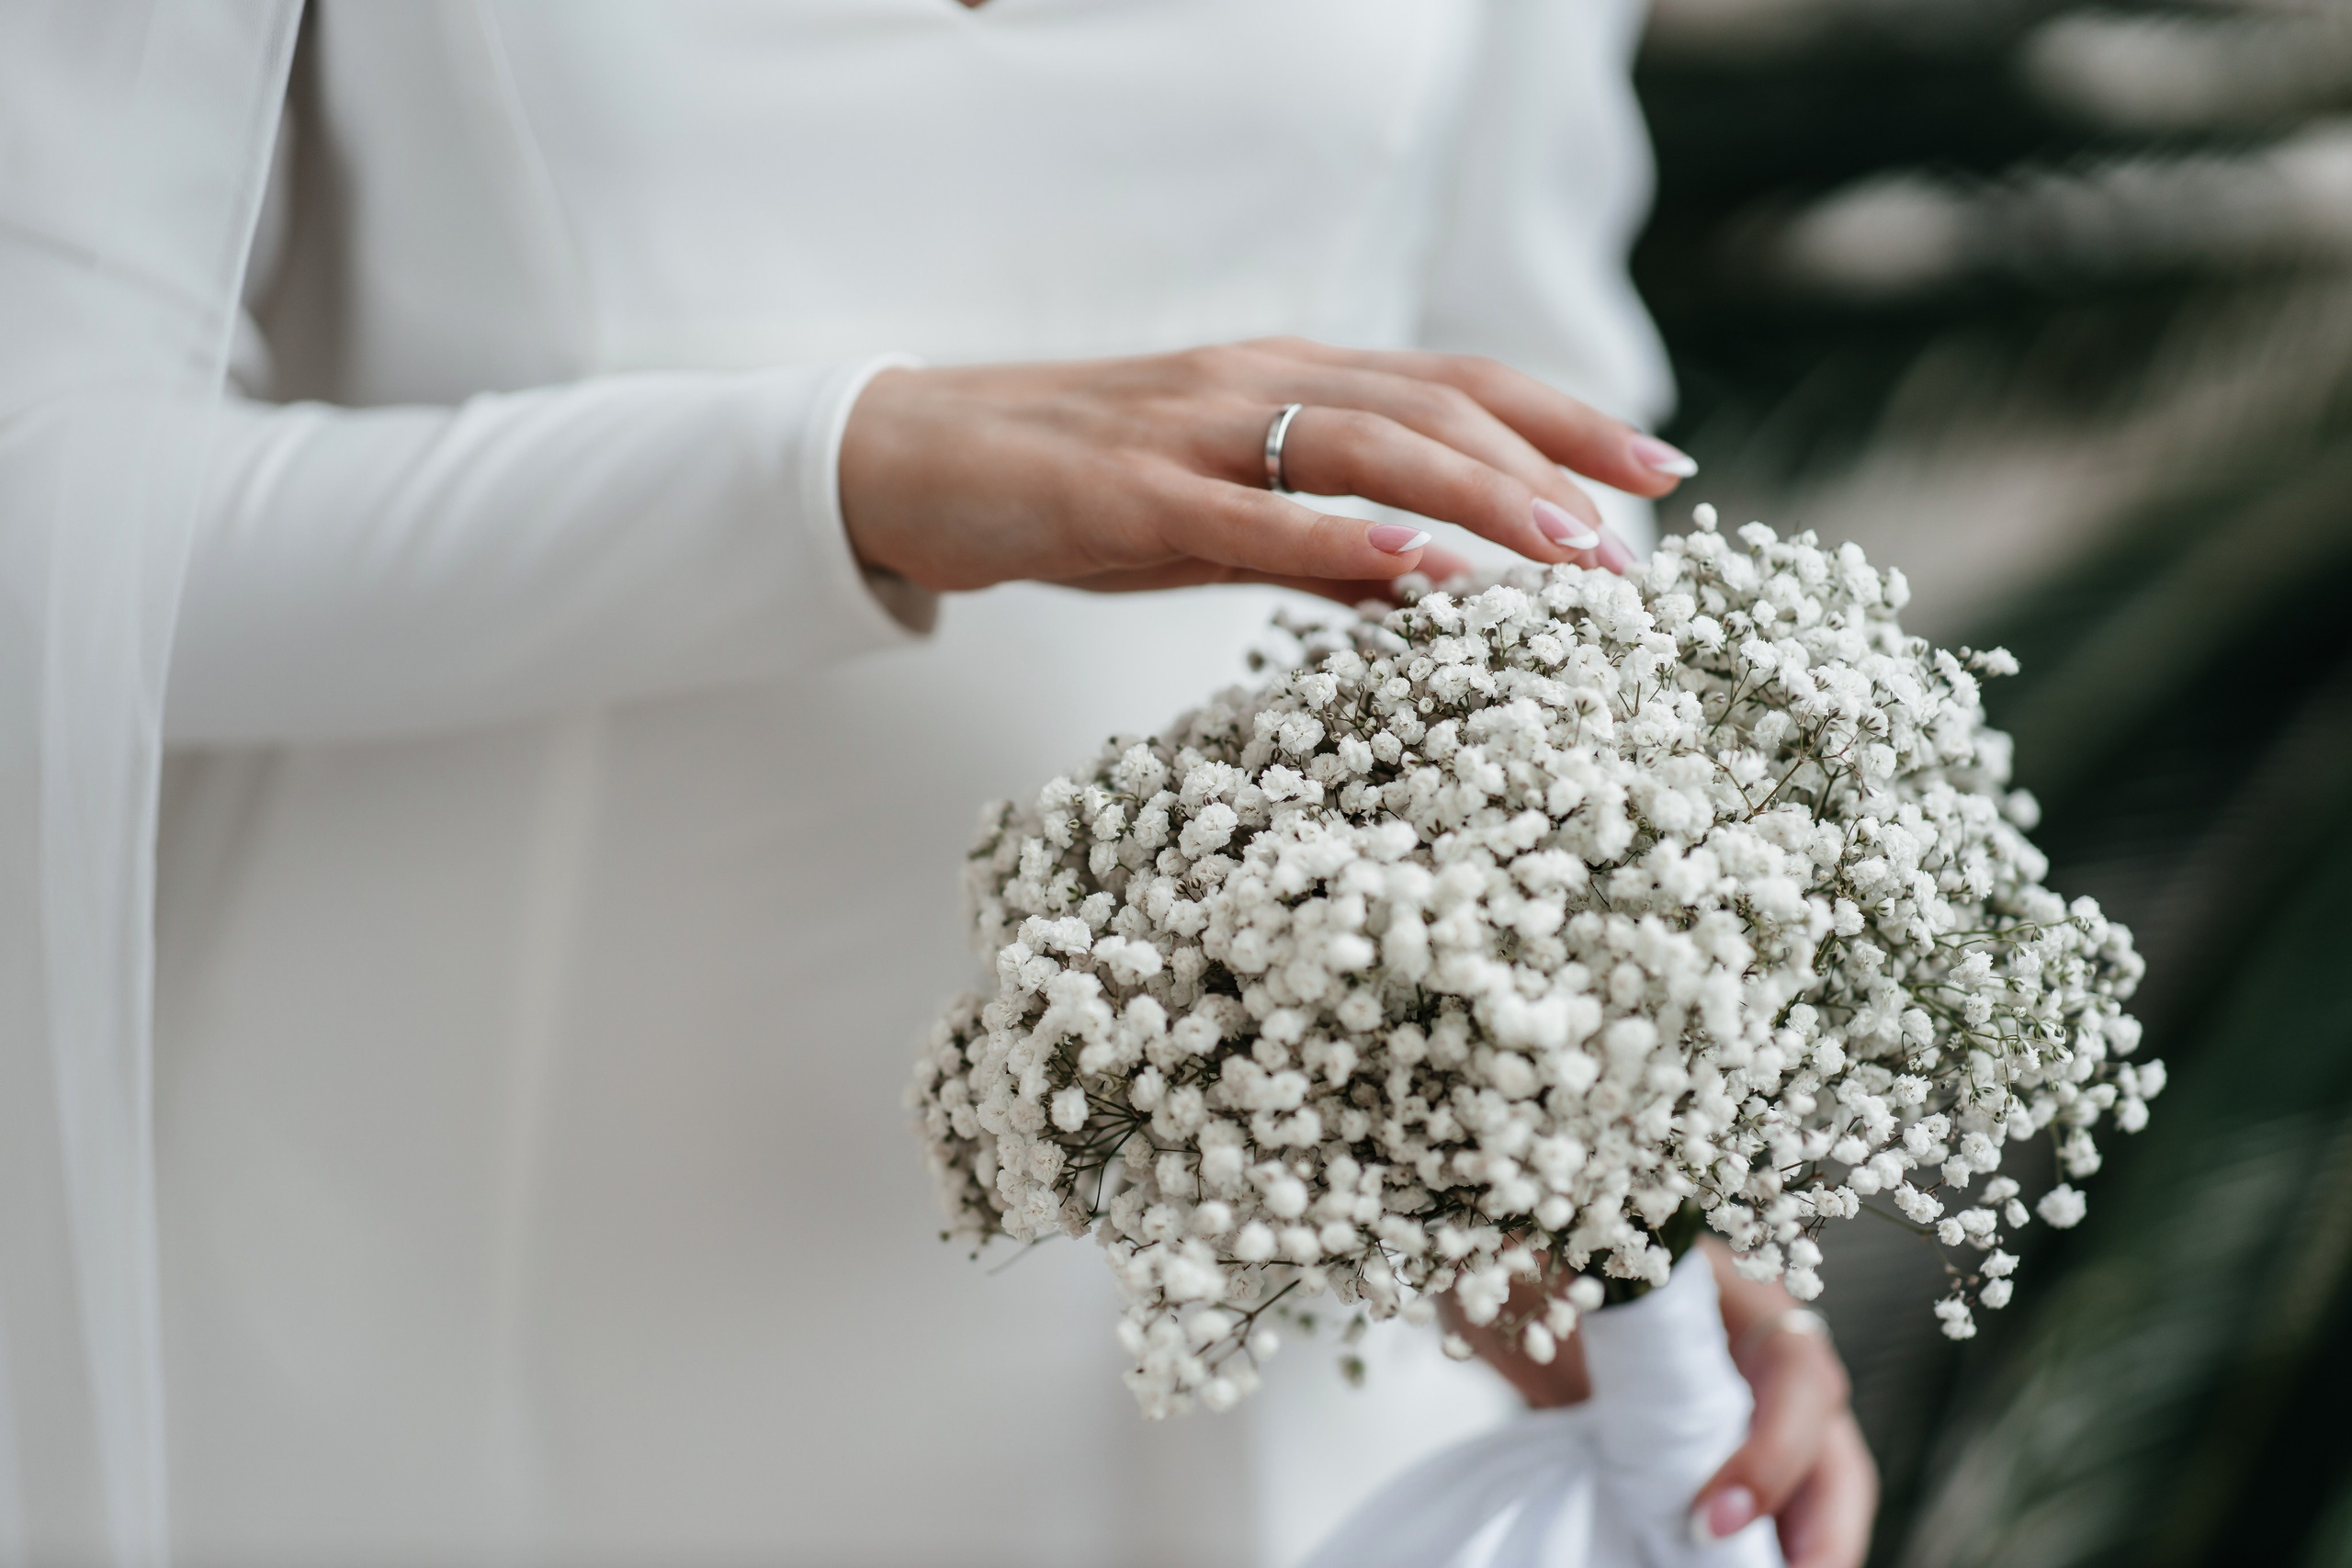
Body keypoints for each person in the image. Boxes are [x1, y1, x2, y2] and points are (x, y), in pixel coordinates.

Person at [3, 3, 1869, 1564]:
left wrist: (1557, 1142)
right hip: (446, 1209)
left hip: (1254, 1246)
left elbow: (1535, 448)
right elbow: (43, 502)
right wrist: (848, 468)